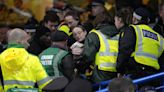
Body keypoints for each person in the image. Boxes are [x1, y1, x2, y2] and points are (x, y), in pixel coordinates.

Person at [116, 7, 164, 79]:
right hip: (154, 75)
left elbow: (125, 50)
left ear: (134, 19)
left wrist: (120, 70)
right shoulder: (159, 37)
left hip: (136, 72)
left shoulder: (133, 29)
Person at [81, 0, 119, 83]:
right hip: (117, 71)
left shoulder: (95, 34)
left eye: (95, 6)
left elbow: (88, 55)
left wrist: (80, 66)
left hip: (100, 73)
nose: (92, 9)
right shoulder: (119, 33)